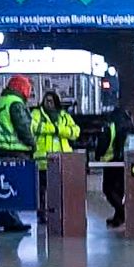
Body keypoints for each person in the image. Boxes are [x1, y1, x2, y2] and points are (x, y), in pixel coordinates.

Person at [0, 75, 35, 233]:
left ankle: (5, 217)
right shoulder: (15, 103)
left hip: (0, 148)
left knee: (4, 185)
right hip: (12, 149)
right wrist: (32, 144)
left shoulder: (3, 100)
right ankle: (11, 220)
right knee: (13, 185)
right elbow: (22, 127)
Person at [30, 92, 81, 223]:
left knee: (59, 190)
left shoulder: (64, 116)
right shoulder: (37, 114)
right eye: (46, 100)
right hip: (42, 159)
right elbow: (34, 127)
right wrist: (55, 129)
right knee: (41, 190)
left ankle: (58, 212)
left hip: (61, 159)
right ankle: (42, 214)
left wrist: (60, 130)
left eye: (51, 101)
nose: (49, 103)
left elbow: (75, 132)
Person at [95, 107, 133, 228]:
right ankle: (119, 217)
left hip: (111, 162)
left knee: (108, 189)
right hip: (127, 161)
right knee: (119, 191)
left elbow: (103, 143)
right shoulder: (130, 126)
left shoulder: (110, 126)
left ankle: (122, 212)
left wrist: (98, 155)